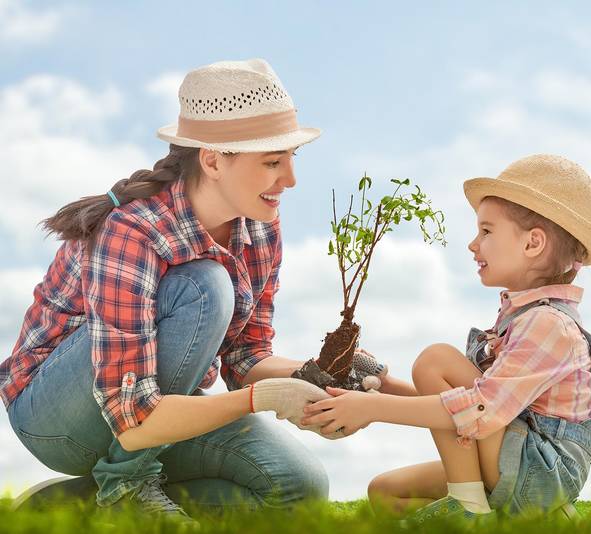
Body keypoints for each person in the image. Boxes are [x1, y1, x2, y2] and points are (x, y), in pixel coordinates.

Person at [0, 58, 406, 523]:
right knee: (203, 285)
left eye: (292, 159)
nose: (290, 180)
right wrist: (264, 399)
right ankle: (125, 489)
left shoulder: (259, 228)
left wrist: (319, 373)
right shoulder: (133, 229)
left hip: (157, 405)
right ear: (212, 159)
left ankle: (73, 508)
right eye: (273, 162)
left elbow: (246, 359)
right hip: (60, 418)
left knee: (299, 488)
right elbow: (132, 418)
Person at [301, 154, 591, 523]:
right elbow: (460, 409)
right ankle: (527, 520)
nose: (473, 244)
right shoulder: (520, 318)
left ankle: (469, 507)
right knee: (385, 493)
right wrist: (385, 388)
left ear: (533, 244)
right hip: (512, 457)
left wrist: (370, 408)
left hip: (538, 471)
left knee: (436, 359)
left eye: (486, 231)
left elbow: (478, 409)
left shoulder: (549, 325)